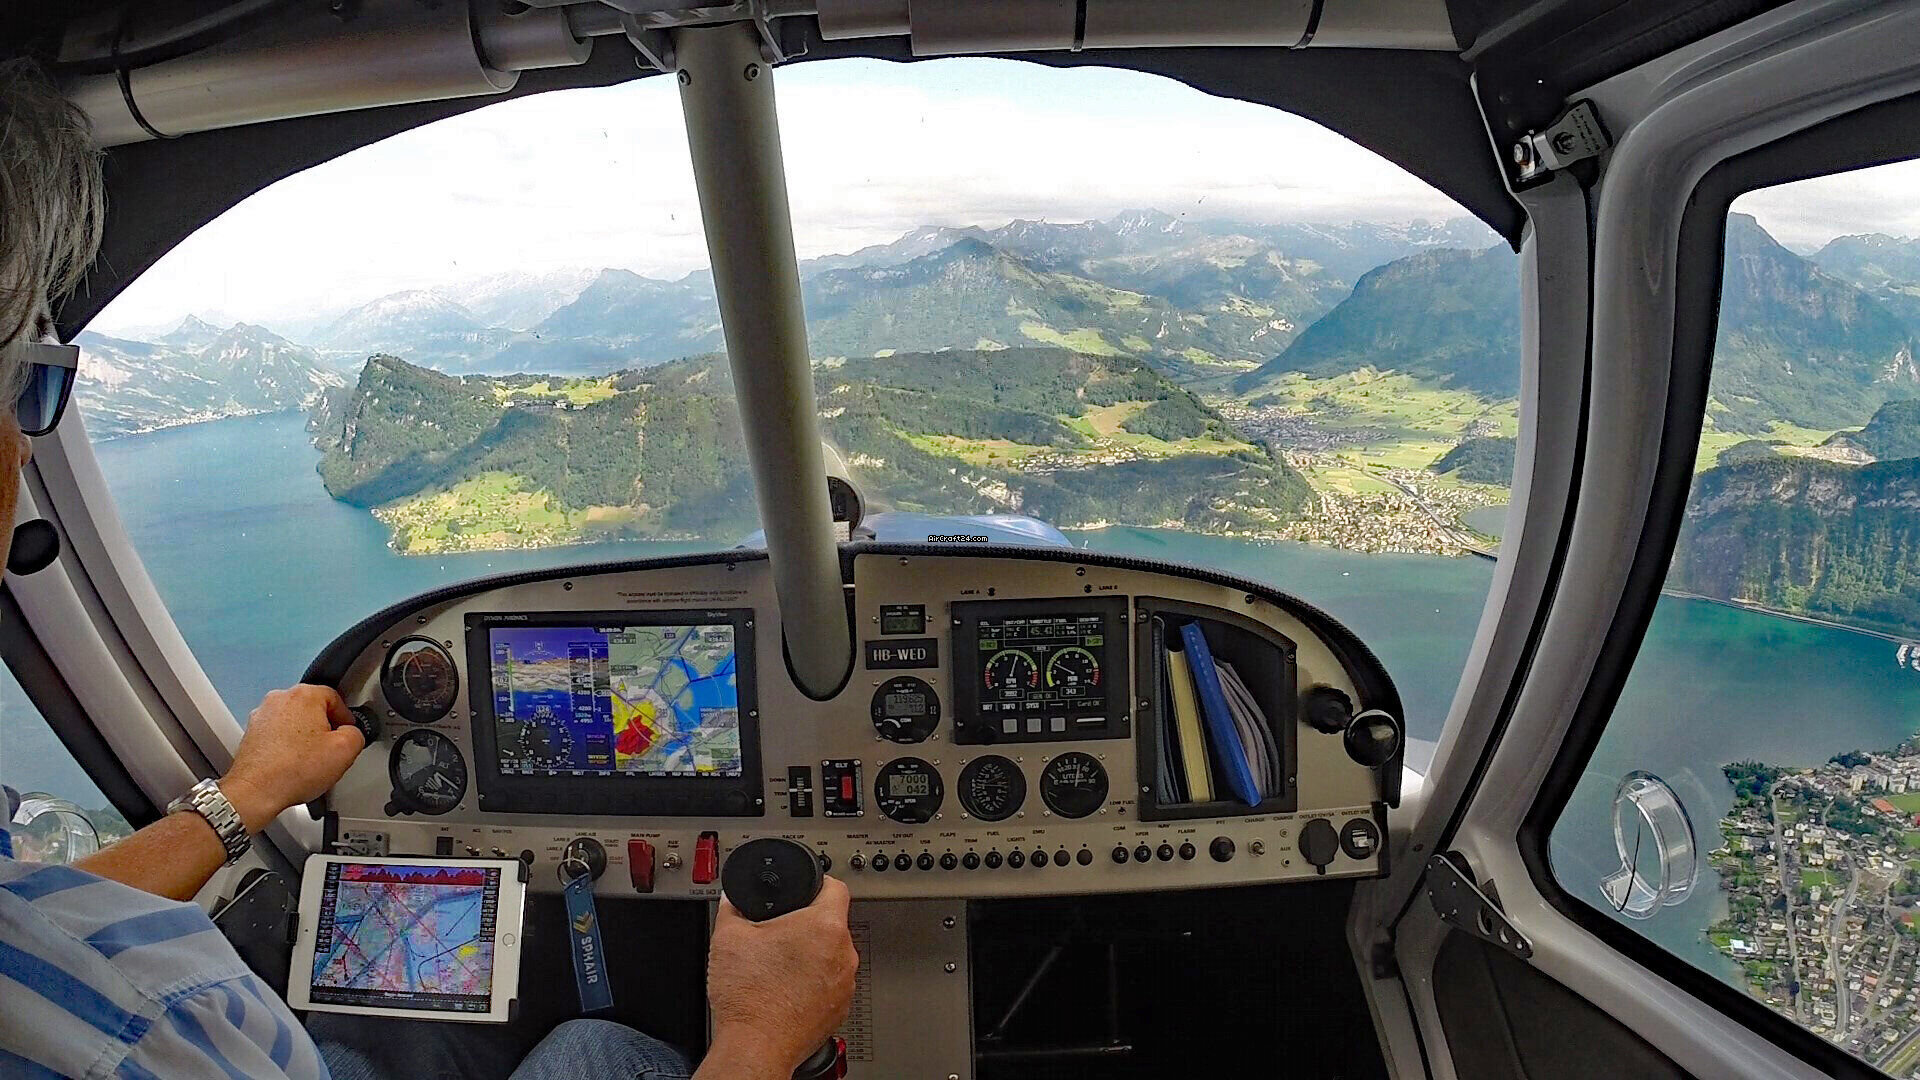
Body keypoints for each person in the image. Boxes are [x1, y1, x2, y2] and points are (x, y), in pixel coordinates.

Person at [0, 57, 858, 1080]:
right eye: (27, 387)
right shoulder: (145, 1039)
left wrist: (249, 793)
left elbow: (41, 923)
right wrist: (762, 1038)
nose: (26, 448)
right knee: (597, 1047)